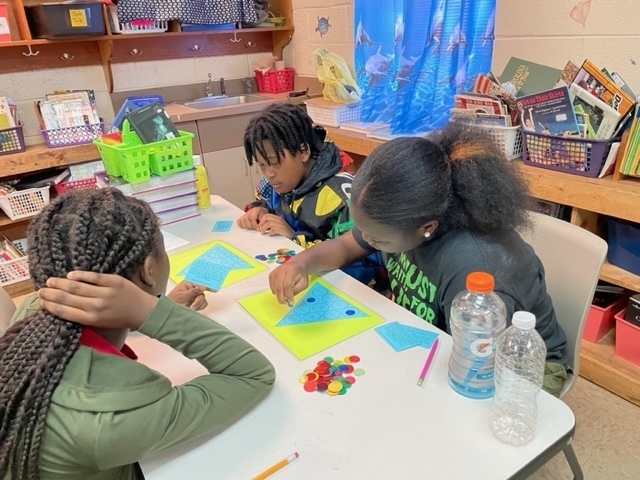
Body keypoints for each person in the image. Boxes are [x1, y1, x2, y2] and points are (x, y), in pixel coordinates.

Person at [269, 121, 569, 395]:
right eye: (365, 231)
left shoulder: (473, 271)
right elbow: (346, 246)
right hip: (438, 340)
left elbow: (473, 369)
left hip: (519, 373)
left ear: (427, 228)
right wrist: (300, 263)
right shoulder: (397, 219)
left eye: (378, 239)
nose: (367, 241)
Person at [0, 188, 275, 479]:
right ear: (148, 271)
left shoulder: (35, 308)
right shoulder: (110, 417)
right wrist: (150, 312)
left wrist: (150, 307)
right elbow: (254, 375)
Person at [238, 102, 382, 285]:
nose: (269, 173)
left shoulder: (341, 196)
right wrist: (260, 210)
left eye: (274, 162)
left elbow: (358, 260)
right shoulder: (280, 182)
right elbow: (265, 199)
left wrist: (295, 239)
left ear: (303, 151)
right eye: (262, 165)